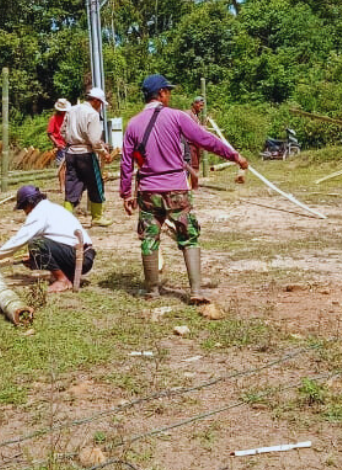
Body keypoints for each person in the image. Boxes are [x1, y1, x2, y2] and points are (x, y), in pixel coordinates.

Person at [121, 74, 248, 303]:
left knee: (149, 238)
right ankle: (196, 291)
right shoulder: (177, 117)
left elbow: (126, 162)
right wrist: (234, 155)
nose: (169, 95)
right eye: (167, 91)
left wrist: (125, 193)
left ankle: (152, 290)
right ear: (161, 94)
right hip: (176, 189)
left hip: (148, 191)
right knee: (189, 236)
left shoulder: (133, 123)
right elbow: (204, 139)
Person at [0, 186, 93, 293]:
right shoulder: (51, 208)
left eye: (24, 208)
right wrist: (35, 258)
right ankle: (67, 276)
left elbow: (20, 239)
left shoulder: (39, 213)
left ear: (30, 203)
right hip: (84, 256)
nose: (25, 212)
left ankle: (63, 281)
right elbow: (56, 241)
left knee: (35, 243)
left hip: (79, 257)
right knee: (37, 244)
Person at [62, 87, 113, 227]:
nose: (101, 107)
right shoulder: (92, 114)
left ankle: (66, 217)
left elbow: (62, 131)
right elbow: (95, 141)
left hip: (71, 152)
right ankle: (97, 217)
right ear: (96, 101)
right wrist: (104, 152)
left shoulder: (71, 110)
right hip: (86, 153)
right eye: (101, 103)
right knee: (96, 184)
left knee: (72, 183)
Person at [48, 98, 71, 193]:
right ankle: (62, 186)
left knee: (70, 167)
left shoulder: (68, 117)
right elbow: (50, 133)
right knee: (62, 167)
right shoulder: (53, 119)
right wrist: (57, 144)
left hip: (69, 143)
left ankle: (69, 185)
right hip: (60, 145)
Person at [183, 95, 206, 187]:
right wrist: (200, 128)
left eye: (202, 106)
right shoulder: (187, 114)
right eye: (200, 105)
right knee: (191, 166)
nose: (201, 108)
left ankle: (193, 185)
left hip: (195, 145)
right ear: (195, 104)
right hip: (189, 145)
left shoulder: (196, 116)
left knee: (195, 166)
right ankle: (191, 186)